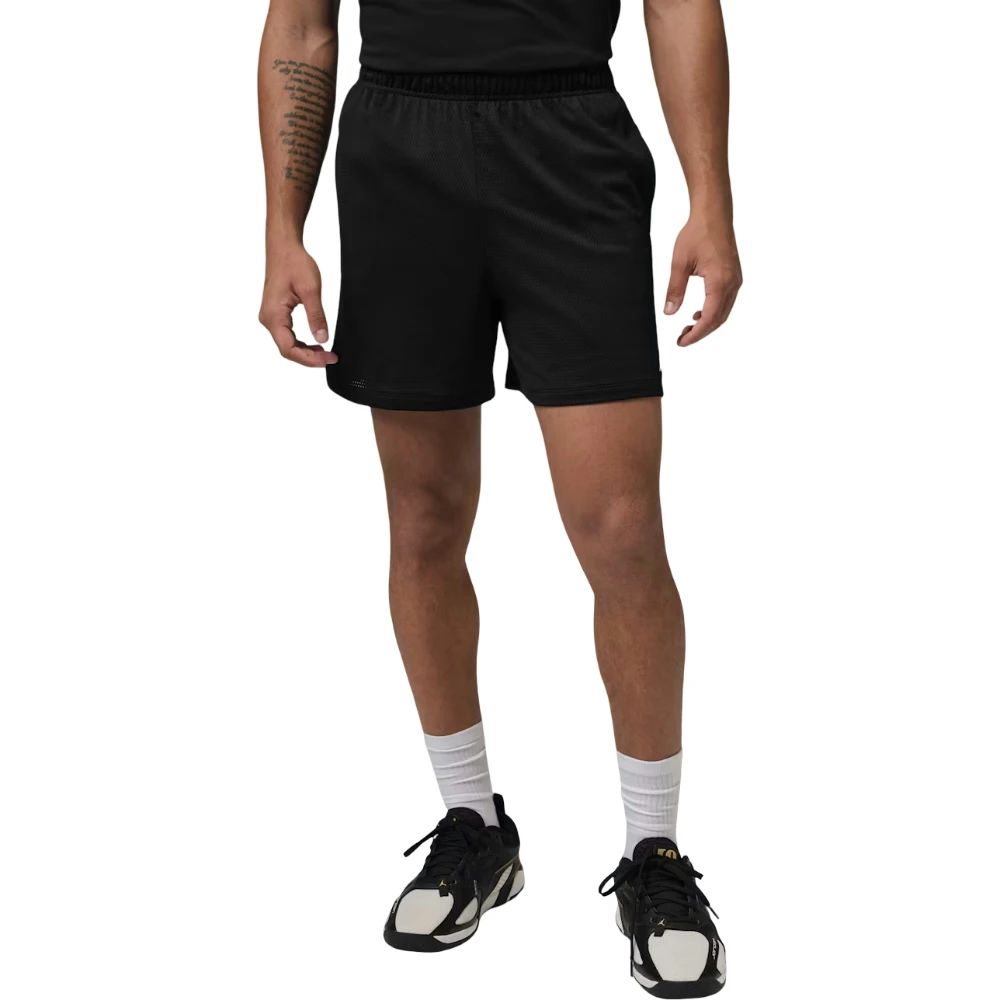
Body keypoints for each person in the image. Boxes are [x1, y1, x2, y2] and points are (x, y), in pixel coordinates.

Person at [257, 0, 741, 993]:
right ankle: (473, 824)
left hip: (569, 139)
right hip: (401, 152)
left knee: (622, 532)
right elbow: (301, 25)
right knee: (425, 521)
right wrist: (281, 229)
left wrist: (712, 200)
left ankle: (653, 850)